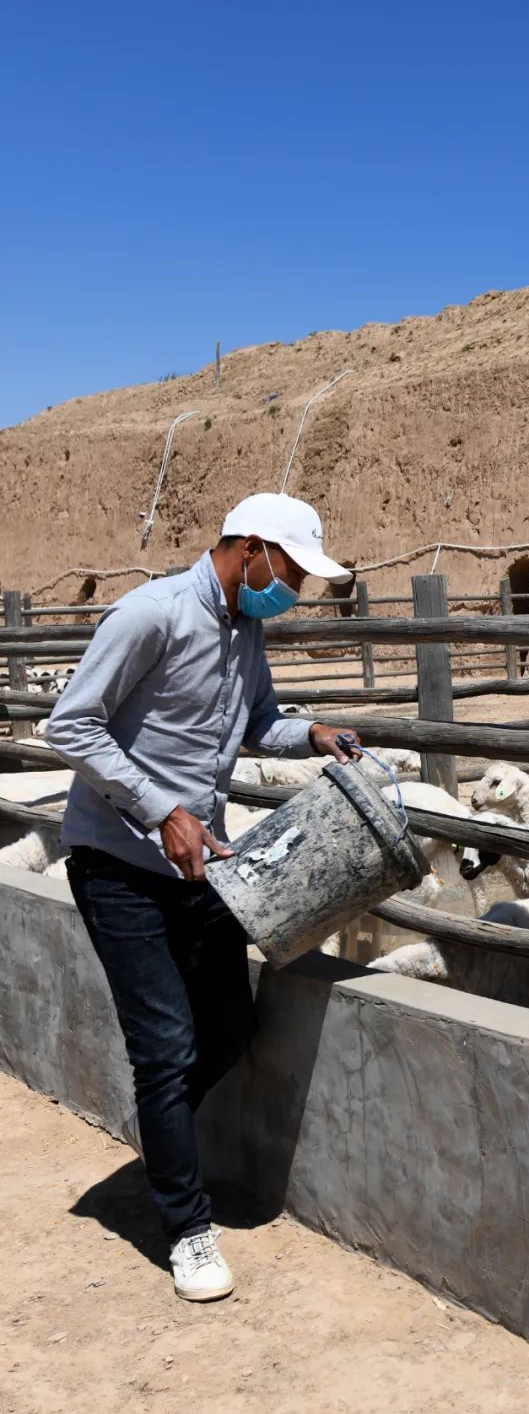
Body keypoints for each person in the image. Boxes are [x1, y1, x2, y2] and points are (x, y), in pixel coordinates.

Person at [46, 493, 363, 1302]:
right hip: (117, 862)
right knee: (164, 1042)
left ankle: (164, 1128)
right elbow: (71, 723)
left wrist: (311, 733)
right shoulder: (150, 615)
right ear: (251, 548)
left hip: (197, 864)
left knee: (229, 1022)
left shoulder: (244, 628)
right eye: (289, 571)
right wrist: (162, 809)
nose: (291, 589)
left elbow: (257, 720)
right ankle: (187, 1229)